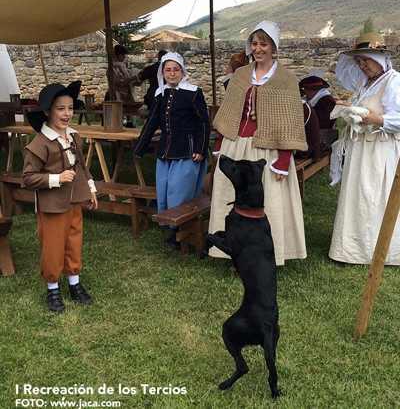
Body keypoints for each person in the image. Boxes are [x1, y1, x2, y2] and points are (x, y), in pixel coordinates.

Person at [209, 20, 308, 266]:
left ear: (273, 46)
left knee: (268, 204)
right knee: (230, 197)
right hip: (236, 145)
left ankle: (266, 253)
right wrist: (221, 146)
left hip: (267, 150)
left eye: (264, 43)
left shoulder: (286, 80)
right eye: (254, 43)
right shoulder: (241, 75)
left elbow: (290, 123)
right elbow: (230, 112)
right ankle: (233, 249)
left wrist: (283, 161)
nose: (258, 48)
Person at [22, 81, 98, 313]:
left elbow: (82, 166)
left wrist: (91, 188)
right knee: (53, 246)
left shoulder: (73, 137)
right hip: (52, 205)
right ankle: (53, 288)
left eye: (70, 108)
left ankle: (74, 284)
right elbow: (28, 177)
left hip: (74, 200)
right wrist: (56, 178)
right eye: (60, 109)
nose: (67, 114)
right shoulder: (40, 144)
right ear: (47, 111)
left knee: (74, 242)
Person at [329, 32, 400, 265]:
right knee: (358, 197)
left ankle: (382, 251)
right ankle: (353, 249)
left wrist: (378, 120)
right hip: (359, 150)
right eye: (358, 61)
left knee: (375, 197)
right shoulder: (365, 83)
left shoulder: (393, 81)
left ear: (379, 58)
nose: (362, 66)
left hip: (379, 151)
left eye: (365, 60)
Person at [132, 52, 210, 249]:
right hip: (166, 149)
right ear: (163, 72)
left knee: (180, 190)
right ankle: (175, 229)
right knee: (166, 189)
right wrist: (139, 148)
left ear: (182, 71)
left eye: (176, 69)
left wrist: (201, 149)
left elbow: (203, 122)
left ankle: (182, 231)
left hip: (188, 150)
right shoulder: (161, 94)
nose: (172, 73)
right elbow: (151, 122)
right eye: (168, 70)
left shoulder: (193, 92)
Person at [106, 44, 137, 127]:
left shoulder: (121, 67)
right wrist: (135, 77)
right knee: (118, 121)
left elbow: (126, 83)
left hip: (124, 96)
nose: (124, 57)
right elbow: (120, 81)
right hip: (116, 96)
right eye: (123, 55)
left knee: (127, 122)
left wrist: (134, 82)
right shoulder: (113, 67)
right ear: (118, 55)